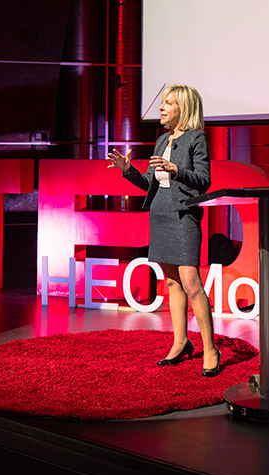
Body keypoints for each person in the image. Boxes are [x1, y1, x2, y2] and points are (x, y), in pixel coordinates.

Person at [107, 84, 221, 377]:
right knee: (172, 283)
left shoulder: (197, 139)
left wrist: (175, 169)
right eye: (163, 102)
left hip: (183, 217)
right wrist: (127, 169)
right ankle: (181, 342)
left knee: (191, 282)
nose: (161, 107)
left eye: (168, 103)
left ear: (183, 109)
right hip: (159, 215)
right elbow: (150, 184)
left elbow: (203, 180)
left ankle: (210, 348)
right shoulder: (161, 141)